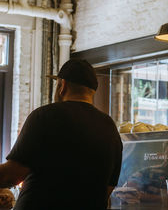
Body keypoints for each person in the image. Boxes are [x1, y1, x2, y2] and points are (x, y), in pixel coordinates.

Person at [0, 59, 123, 210]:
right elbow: (107, 189)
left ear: (61, 86)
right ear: (92, 91)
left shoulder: (45, 116)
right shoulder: (109, 127)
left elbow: (10, 176)